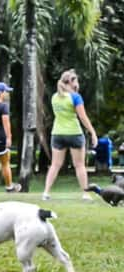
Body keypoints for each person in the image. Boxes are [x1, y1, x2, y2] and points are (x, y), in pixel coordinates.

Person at [43, 69, 98, 201]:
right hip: (74, 133)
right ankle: (85, 193)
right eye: (76, 80)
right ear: (72, 82)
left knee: (55, 165)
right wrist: (93, 132)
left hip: (57, 134)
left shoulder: (55, 97)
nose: (77, 83)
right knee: (79, 165)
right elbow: (83, 117)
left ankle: (46, 192)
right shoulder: (75, 97)